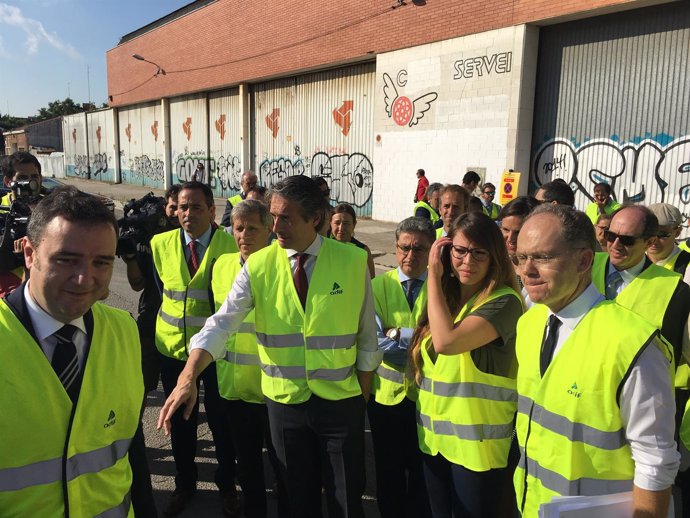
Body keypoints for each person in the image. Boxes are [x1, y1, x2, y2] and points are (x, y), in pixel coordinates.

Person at [158, 175, 382, 518]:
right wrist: (189, 375)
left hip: (341, 405)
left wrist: (358, 404)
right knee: (294, 499)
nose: (275, 227)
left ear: (316, 219)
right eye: (272, 216)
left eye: (286, 218)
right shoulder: (260, 264)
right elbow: (221, 323)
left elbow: (368, 339)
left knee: (347, 498)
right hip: (283, 405)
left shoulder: (352, 262)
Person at [513, 203, 679, 517]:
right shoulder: (529, 324)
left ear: (584, 260)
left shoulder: (633, 345)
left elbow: (655, 462)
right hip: (533, 505)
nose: (526, 271)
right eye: (521, 258)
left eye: (543, 257)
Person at [0, 186, 144, 516]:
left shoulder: (124, 330)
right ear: (29, 253)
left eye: (102, 262)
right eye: (66, 259)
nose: (84, 279)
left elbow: (130, 454)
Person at [410, 211, 523, 517]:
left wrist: (432, 274)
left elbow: (447, 343)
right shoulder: (443, 299)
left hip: (477, 450)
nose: (467, 261)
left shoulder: (505, 302)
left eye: (479, 253)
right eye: (459, 250)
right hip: (434, 442)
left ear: (494, 257)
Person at [151, 181, 240, 516]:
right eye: (182, 207)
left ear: (212, 211)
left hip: (216, 353)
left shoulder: (230, 244)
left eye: (196, 207)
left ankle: (227, 485)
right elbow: (162, 289)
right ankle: (184, 483)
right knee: (180, 422)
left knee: (221, 422)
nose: (187, 214)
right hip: (173, 349)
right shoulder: (160, 243)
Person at [211, 199, 288, 518]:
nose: (244, 234)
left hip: (274, 387)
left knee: (283, 467)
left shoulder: (284, 264)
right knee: (247, 465)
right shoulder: (222, 265)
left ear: (270, 229)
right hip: (234, 387)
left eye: (253, 228)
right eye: (238, 228)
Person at [369, 217, 435, 518]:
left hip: (429, 400)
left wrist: (398, 334)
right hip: (386, 400)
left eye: (419, 249)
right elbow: (376, 342)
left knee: (424, 475)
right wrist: (419, 338)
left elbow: (443, 343)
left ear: (432, 250)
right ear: (395, 248)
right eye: (404, 248)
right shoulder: (376, 287)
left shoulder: (443, 287)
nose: (411, 255)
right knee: (388, 473)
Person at [0, 151, 46, 296]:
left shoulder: (52, 207)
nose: (30, 183)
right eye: (22, 178)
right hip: (8, 284)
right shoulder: (2, 208)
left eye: (34, 177)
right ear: (8, 182)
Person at [647, 203, 690, 285]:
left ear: (677, 232)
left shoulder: (687, 265)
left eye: (662, 234)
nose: (654, 239)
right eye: (649, 232)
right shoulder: (633, 258)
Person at [330, 202, 376, 278]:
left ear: (354, 225)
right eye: (337, 223)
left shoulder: (363, 250)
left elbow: (371, 282)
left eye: (346, 223)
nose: (341, 228)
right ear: (330, 223)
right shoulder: (323, 246)